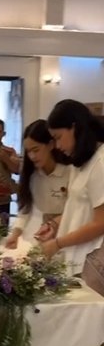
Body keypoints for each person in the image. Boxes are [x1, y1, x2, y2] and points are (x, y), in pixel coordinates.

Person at [34, 100, 104, 275]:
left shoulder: (101, 163)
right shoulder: (79, 163)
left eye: (58, 138)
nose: (57, 146)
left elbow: (100, 223)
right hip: (75, 255)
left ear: (74, 127)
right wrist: (54, 224)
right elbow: (78, 208)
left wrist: (58, 243)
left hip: (91, 258)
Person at [4, 120, 69, 249]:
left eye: (36, 150)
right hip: (43, 233)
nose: (32, 156)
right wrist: (15, 234)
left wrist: (55, 225)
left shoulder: (70, 172)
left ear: (51, 145)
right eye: (28, 151)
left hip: (68, 233)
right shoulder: (32, 175)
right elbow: (25, 209)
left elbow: (76, 210)